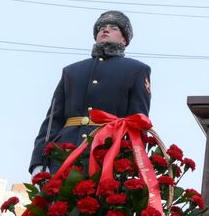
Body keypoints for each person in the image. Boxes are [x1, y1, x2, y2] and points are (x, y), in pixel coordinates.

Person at [28, 10, 151, 173]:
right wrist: (38, 163)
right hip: (63, 154)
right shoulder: (71, 71)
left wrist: (134, 165)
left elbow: (138, 122)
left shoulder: (136, 70)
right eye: (101, 28)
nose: (105, 30)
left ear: (124, 40)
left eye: (113, 28)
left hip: (108, 155)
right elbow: (52, 121)